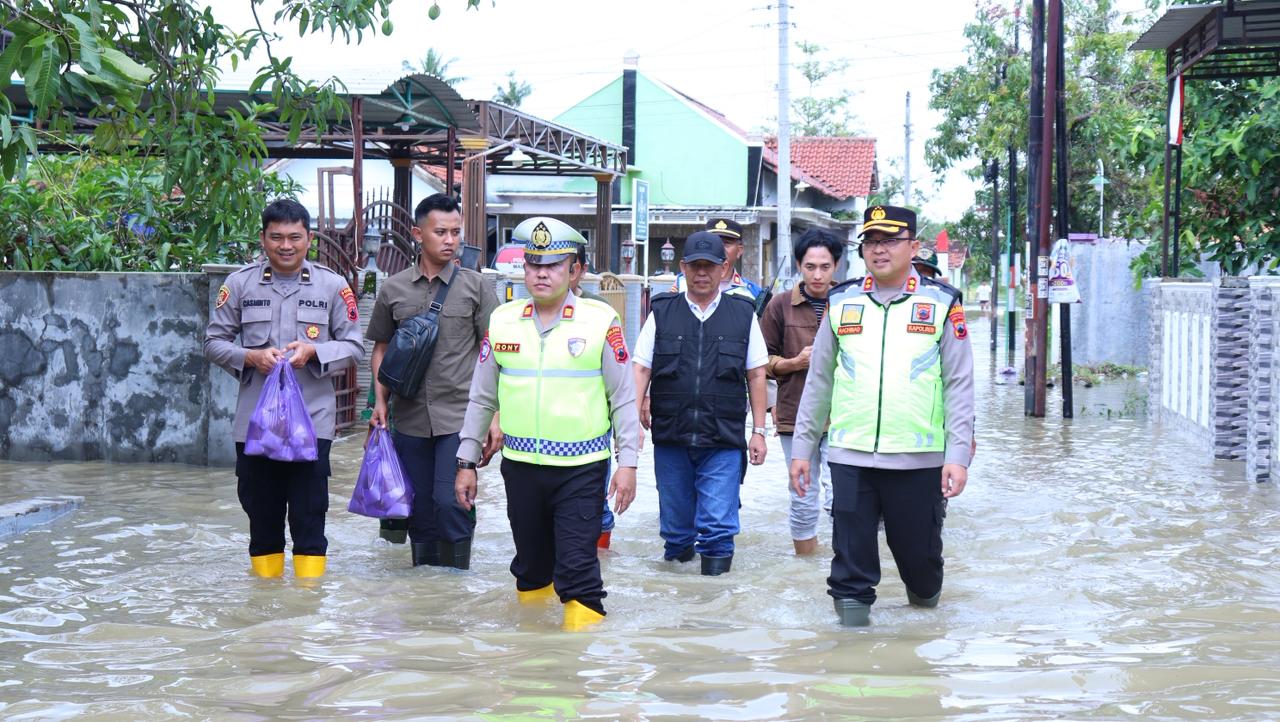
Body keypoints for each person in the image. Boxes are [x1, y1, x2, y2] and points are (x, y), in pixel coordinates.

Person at [789, 204, 974, 627]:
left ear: (913, 246)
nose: (879, 250)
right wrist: (803, 447)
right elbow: (819, 380)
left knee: (920, 561)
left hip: (919, 456)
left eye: (889, 240)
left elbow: (960, 384)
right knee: (850, 566)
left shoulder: (943, 303)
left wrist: (957, 455)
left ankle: (924, 621)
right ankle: (850, 655)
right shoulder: (841, 301)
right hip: (850, 455)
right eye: (871, 241)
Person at [454, 216, 640, 631]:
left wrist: (628, 464)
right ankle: (533, 665)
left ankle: (574, 678)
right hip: (520, 467)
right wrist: (466, 462)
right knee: (531, 569)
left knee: (578, 573)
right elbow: (482, 397)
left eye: (553, 264)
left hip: (582, 469)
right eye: (533, 264)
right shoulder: (502, 320)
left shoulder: (600, 321)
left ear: (575, 270)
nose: (541, 273)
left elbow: (624, 398)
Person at [204, 198, 365, 579]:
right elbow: (213, 343)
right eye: (277, 237)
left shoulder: (332, 286)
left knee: (311, 518)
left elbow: (354, 346)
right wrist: (250, 357)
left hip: (312, 422)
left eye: (295, 237)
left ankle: (306, 614)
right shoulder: (239, 284)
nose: (286, 246)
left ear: (309, 238)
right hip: (255, 425)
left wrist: (314, 352)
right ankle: (265, 610)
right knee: (262, 520)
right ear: (263, 239)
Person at [366, 193, 500, 570]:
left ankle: (457, 584)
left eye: (456, 232)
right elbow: (382, 348)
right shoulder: (393, 288)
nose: (450, 240)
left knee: (451, 499)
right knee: (419, 510)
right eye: (440, 231)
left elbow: (495, 352)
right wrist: (379, 402)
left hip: (461, 417)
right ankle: (427, 597)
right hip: (408, 416)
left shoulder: (476, 287)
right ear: (417, 234)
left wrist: (494, 415)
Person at [635, 230, 769, 576]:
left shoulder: (743, 314)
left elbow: (756, 374)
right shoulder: (662, 313)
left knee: (717, 531)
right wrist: (632, 424)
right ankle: (680, 612)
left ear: (724, 268)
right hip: (671, 438)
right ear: (683, 267)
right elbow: (641, 369)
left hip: (723, 439)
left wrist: (759, 431)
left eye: (710, 266)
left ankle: (715, 611)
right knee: (677, 535)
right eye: (695, 266)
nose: (702, 273)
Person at [762, 228, 841, 556]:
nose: (818, 274)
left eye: (825, 266)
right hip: (796, 415)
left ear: (836, 265)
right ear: (798, 265)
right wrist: (795, 362)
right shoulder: (780, 306)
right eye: (810, 266)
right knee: (802, 494)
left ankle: (845, 562)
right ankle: (805, 567)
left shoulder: (850, 302)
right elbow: (759, 362)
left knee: (844, 497)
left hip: (845, 416)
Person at [569, 249, 619, 551]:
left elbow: (618, 377)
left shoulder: (599, 310)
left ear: (581, 269)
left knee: (595, 501)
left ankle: (599, 561)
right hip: (545, 428)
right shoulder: (523, 313)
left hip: (593, 422)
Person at [669, 218, 763, 303]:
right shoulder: (681, 283)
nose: (719, 249)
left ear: (739, 250)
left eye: (726, 243)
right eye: (713, 243)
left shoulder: (751, 292)